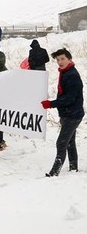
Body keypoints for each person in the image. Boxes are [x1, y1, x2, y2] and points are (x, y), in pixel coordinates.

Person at [41, 48, 84, 177]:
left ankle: (55, 172)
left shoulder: (72, 75)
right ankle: (73, 167)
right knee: (70, 142)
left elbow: (69, 98)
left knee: (61, 142)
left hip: (73, 114)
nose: (60, 62)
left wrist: (51, 104)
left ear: (69, 59)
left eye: (63, 59)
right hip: (68, 113)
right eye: (58, 59)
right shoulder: (65, 72)